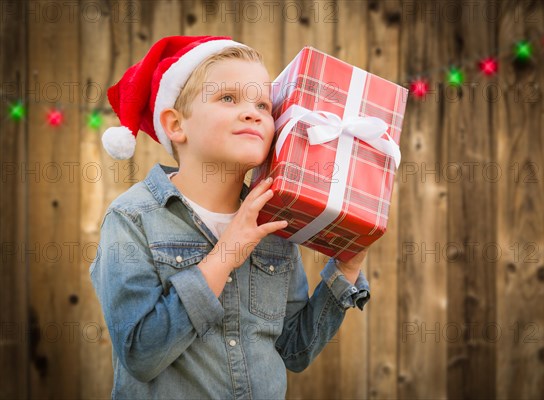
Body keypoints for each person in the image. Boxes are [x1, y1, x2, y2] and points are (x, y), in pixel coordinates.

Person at [90, 35, 370, 399]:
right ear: (176, 125)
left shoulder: (274, 222)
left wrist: (345, 271)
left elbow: (293, 351)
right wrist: (226, 255)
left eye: (263, 105)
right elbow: (141, 355)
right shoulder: (133, 218)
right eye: (228, 98)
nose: (253, 112)